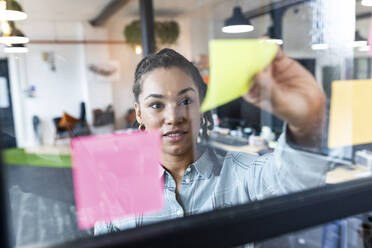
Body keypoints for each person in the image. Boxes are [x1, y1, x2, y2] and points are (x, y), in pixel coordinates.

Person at [94, 48, 329, 234]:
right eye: (156, 105)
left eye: (186, 101)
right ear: (138, 113)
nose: (174, 117)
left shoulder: (241, 175)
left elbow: (296, 181)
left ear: (201, 107)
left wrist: (307, 121)